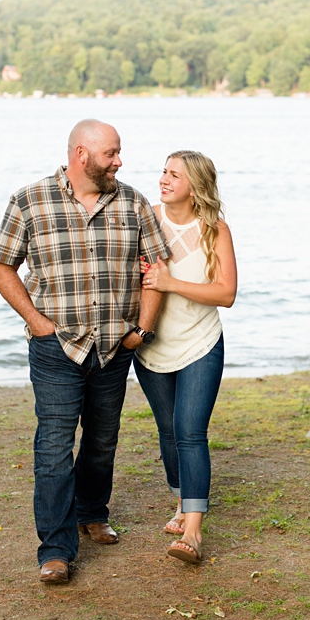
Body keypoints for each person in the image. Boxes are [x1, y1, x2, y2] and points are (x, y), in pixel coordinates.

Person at [0, 119, 172, 585]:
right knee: (53, 445)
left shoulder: (132, 203)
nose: (119, 161)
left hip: (114, 347)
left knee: (101, 439)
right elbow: (2, 266)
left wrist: (141, 331)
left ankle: (93, 511)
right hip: (56, 347)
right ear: (81, 155)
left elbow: (156, 268)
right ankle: (55, 549)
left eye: (119, 152)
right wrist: (37, 323)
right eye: (111, 153)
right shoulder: (29, 201)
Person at [134, 150, 237, 565]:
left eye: (174, 175)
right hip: (153, 345)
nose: (163, 179)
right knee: (167, 430)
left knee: (189, 430)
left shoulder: (215, 230)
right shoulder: (146, 220)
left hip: (200, 343)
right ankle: (181, 502)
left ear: (194, 185)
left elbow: (226, 293)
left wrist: (172, 282)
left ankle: (193, 530)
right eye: (163, 171)